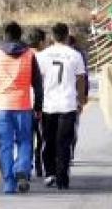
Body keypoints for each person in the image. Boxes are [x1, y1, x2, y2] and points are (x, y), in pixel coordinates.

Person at [0, 21, 44, 195]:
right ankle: (22, 169)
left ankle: (9, 183)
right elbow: (38, 84)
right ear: (19, 35)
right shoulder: (29, 55)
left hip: (3, 108)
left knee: (5, 145)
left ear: (5, 35)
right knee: (25, 141)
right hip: (23, 106)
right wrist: (38, 106)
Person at [36, 22, 87, 189]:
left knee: (48, 141)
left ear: (52, 36)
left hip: (48, 104)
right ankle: (62, 178)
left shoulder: (42, 55)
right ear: (67, 36)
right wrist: (80, 100)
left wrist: (37, 101)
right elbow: (80, 79)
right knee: (64, 142)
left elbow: (38, 81)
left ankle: (50, 173)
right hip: (67, 104)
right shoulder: (74, 55)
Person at [26, 27, 48, 178]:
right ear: (41, 42)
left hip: (24, 102)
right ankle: (40, 165)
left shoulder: (22, 56)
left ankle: (26, 166)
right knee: (41, 137)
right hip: (41, 102)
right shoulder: (45, 57)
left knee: (26, 137)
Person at [67, 33, 89, 160]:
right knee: (73, 126)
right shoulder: (79, 55)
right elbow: (84, 77)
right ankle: (69, 152)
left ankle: (69, 152)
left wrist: (84, 95)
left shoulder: (78, 55)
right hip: (73, 97)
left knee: (72, 126)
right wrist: (84, 95)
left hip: (71, 97)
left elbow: (84, 76)